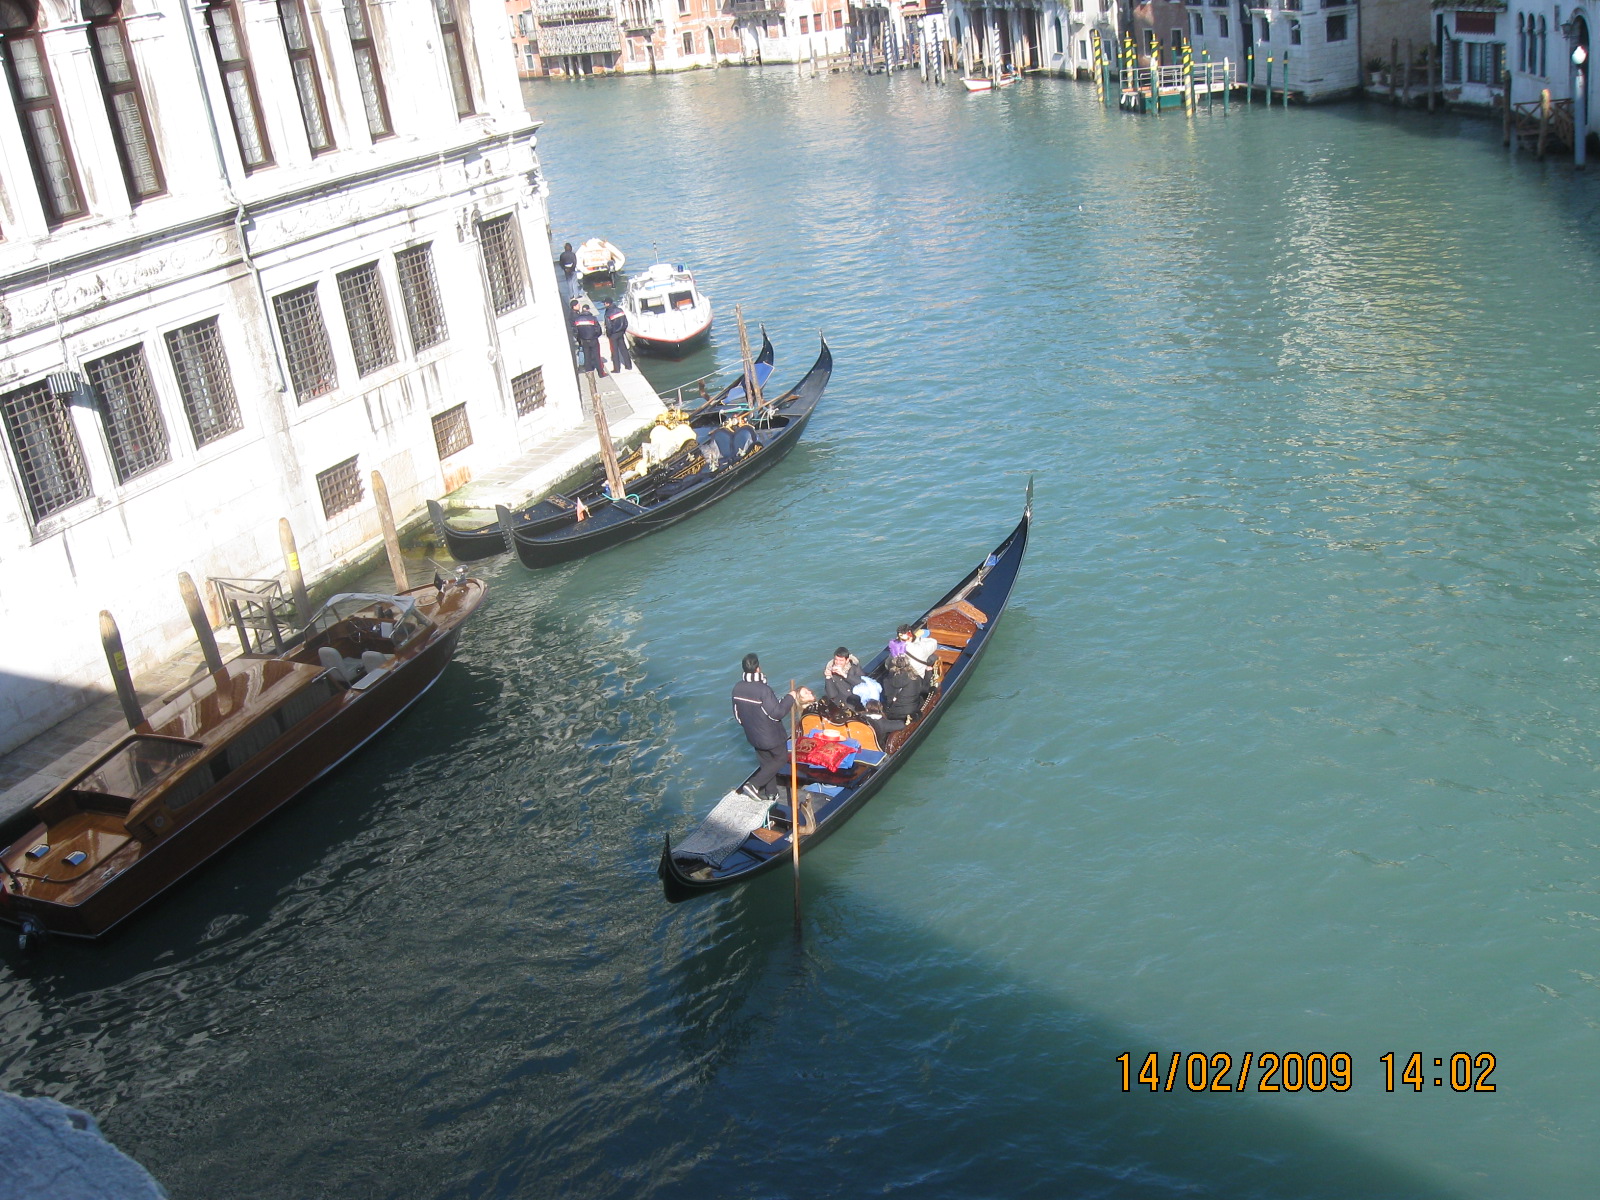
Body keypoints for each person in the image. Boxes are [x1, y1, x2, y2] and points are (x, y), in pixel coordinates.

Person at [731, 654, 813, 802]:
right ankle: (754, 784)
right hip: (771, 737)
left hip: (753, 736)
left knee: (767, 764)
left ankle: (771, 793)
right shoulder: (763, 690)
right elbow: (777, 713)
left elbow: (738, 716)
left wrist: (752, 727)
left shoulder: (737, 688)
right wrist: (791, 696)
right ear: (758, 668)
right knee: (780, 759)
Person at [877, 653, 931, 734]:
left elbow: (886, 695)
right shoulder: (915, 679)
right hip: (910, 713)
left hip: (892, 713)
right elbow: (926, 690)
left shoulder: (886, 680)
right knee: (922, 698)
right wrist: (928, 673)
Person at [569, 299, 605, 376]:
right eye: (578, 304)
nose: (579, 306)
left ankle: (589, 371)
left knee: (587, 356)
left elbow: (576, 330)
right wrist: (595, 336)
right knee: (596, 356)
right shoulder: (593, 318)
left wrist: (580, 338)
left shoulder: (577, 319)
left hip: (584, 340)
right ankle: (600, 373)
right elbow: (599, 330)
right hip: (593, 340)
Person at [602, 299, 633, 373]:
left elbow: (609, 326)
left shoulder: (608, 313)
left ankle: (617, 369)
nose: (604, 305)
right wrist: (623, 330)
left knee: (615, 352)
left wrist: (609, 334)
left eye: (604, 303)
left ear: (607, 304)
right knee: (624, 349)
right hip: (621, 332)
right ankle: (628, 366)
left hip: (613, 334)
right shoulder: (620, 310)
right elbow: (625, 322)